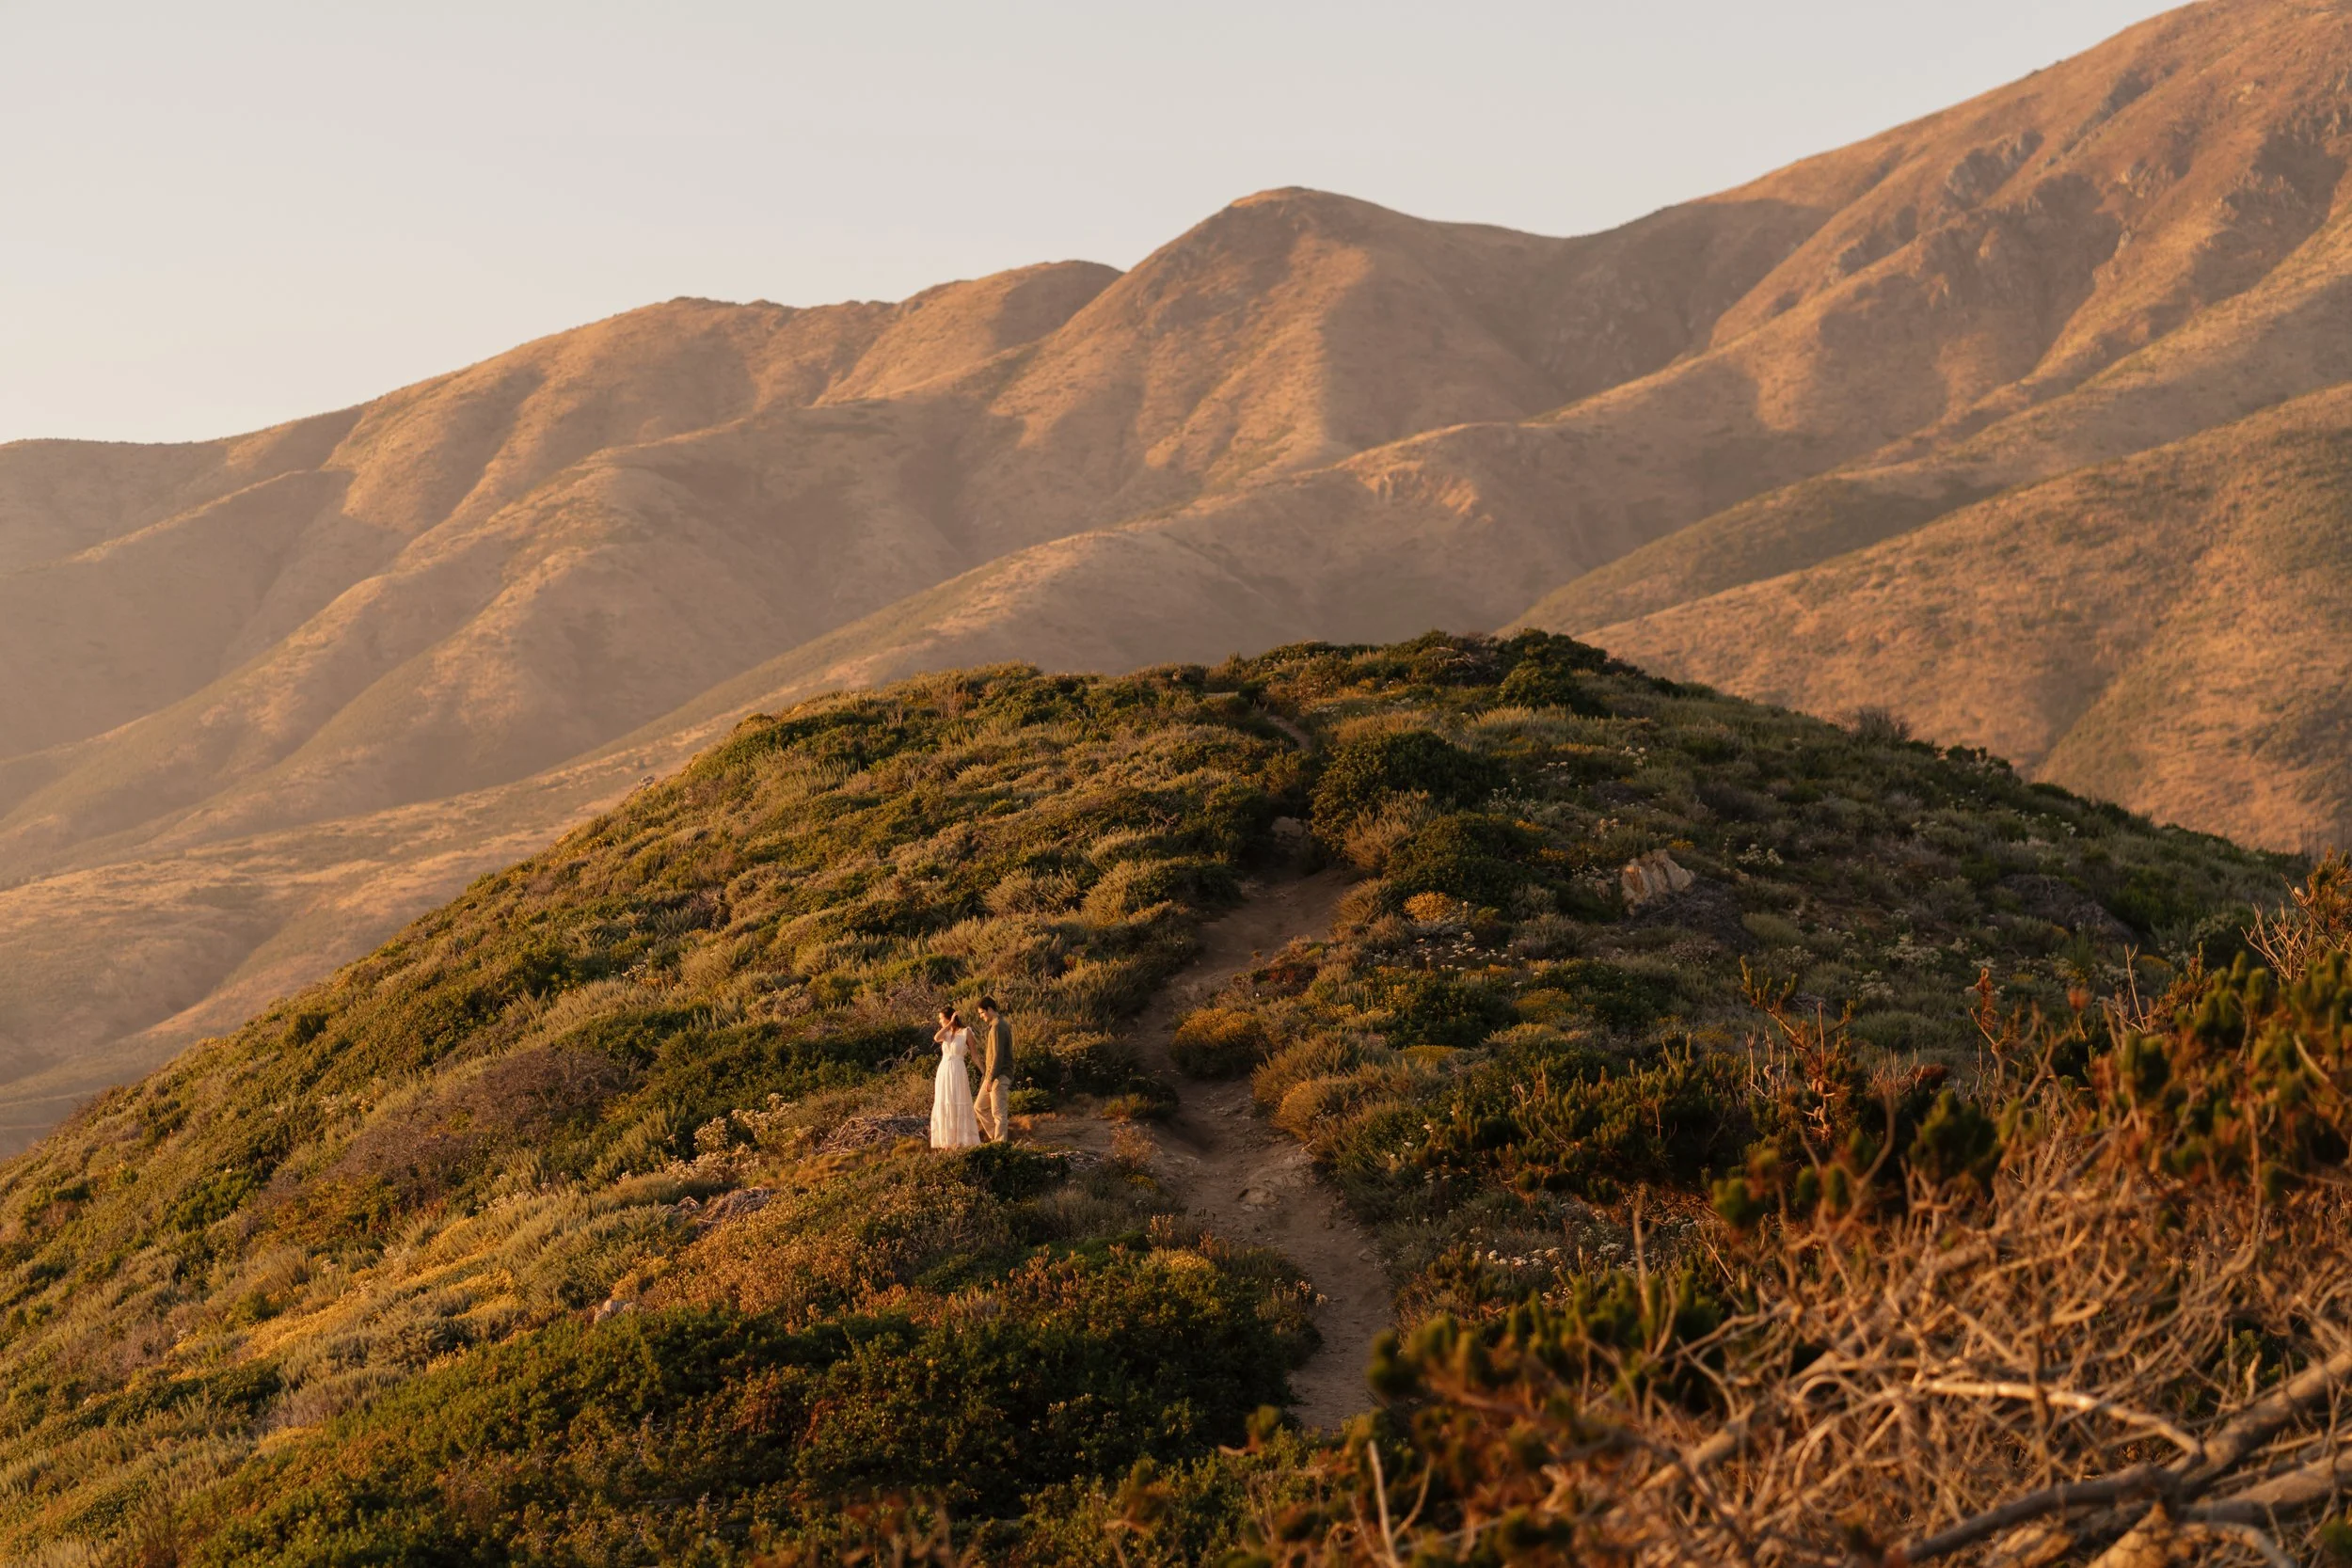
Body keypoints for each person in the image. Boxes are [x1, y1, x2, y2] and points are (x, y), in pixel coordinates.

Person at [930, 1006, 980, 1149]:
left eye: (941, 1018)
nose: (940, 1021)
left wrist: (984, 1071)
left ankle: (961, 1142)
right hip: (944, 1071)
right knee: (945, 1102)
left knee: (958, 1101)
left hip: (958, 1070)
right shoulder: (945, 1033)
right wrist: (950, 1025)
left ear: (949, 1017)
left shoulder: (966, 1032)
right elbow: (936, 1037)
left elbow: (974, 1055)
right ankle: (947, 1142)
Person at [974, 996, 1014, 1144]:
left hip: (999, 1075)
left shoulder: (998, 1026)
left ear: (990, 1009)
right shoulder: (996, 1025)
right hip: (992, 1075)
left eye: (982, 1013)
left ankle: (1000, 1144)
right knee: (979, 1107)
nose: (981, 1016)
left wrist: (990, 1078)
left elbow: (998, 1055)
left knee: (998, 1112)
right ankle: (996, 1138)